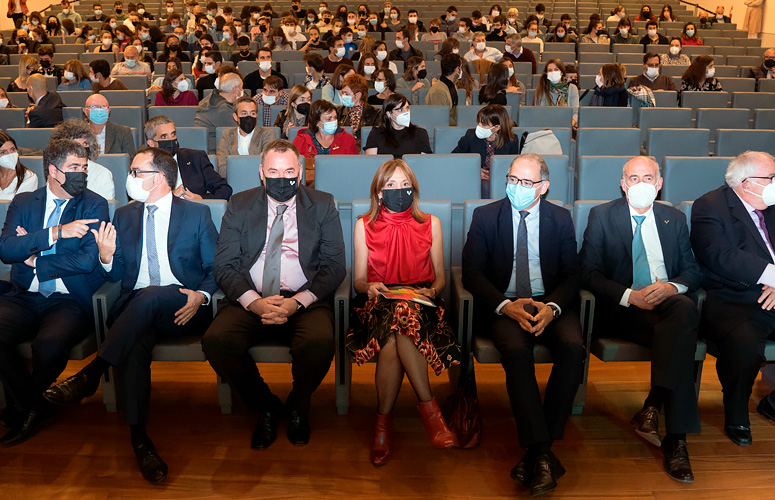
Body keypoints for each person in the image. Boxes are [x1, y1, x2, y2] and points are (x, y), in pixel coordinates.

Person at [43, 146, 218, 483]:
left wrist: (202, 294)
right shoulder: (123, 216)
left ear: (162, 178)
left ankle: (93, 372)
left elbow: (217, 267)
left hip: (185, 307)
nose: (131, 178)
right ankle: (141, 441)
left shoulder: (196, 214)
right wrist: (108, 257)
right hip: (135, 311)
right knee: (134, 342)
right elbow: (115, 276)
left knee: (154, 296)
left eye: (138, 171)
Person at [202, 138, 346, 449]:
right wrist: (254, 302)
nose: (282, 179)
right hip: (250, 298)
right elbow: (224, 265)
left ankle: (298, 405)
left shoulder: (322, 204)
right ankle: (264, 404)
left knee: (320, 342)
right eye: (274, 171)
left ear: (301, 172)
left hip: (304, 298)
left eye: (289, 171)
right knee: (216, 341)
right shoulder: (239, 205)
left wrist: (297, 303)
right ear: (261, 173)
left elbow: (334, 267)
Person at [462, 153, 583, 495]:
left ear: (543, 187)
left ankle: (538, 449)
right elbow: (471, 273)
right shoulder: (486, 216)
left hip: (550, 301)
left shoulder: (560, 219)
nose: (516, 187)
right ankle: (543, 452)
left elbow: (573, 273)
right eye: (512, 180)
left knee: (574, 348)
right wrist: (505, 305)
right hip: (505, 303)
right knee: (516, 351)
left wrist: (554, 307)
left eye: (526, 183)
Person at [580, 156, 702, 483]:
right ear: (623, 184)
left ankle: (663, 422)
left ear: (659, 184)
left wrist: (671, 286)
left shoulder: (673, 218)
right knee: (681, 335)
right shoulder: (602, 216)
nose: (641, 184)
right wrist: (629, 295)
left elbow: (692, 270)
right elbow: (588, 273)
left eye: (648, 178)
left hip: (666, 304)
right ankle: (668, 429)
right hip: (623, 309)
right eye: (633, 178)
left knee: (685, 309)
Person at [348, 159, 459, 466]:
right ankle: (430, 411)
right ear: (379, 193)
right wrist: (369, 287)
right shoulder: (363, 226)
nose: (400, 190)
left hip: (421, 301)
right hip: (378, 301)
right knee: (397, 315)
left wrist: (432, 292)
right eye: (391, 186)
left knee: (401, 320)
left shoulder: (431, 223)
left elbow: (440, 278)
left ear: (414, 189)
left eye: (405, 185)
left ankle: (382, 425)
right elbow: (358, 280)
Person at [0, 139, 108, 447]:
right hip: (25, 293)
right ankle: (34, 405)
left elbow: (86, 261)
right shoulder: (24, 202)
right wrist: (54, 234)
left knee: (48, 345)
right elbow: (7, 249)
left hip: (69, 299)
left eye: (84, 168)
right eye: (74, 168)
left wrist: (34, 254)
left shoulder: (94, 204)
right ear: (53, 171)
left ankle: (25, 408)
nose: (81, 174)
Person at [690, 151, 775, 446]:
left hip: (774, 294)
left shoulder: (772, 205)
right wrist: (772, 277)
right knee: (746, 347)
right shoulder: (710, 206)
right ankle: (737, 412)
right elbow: (719, 256)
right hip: (734, 298)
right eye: (771, 178)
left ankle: (772, 402)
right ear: (748, 182)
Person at [144, 115, 232, 201]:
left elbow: (224, 190)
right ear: (151, 143)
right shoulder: (144, 165)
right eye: (164, 136)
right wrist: (172, 196)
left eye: (173, 134)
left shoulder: (195, 158)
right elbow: (141, 199)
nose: (171, 139)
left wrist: (201, 198)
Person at [452, 104, 519, 197]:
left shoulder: (511, 140)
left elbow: (514, 166)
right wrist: (475, 171)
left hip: (500, 179)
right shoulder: (471, 136)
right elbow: (454, 158)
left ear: (497, 127)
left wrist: (496, 174)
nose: (479, 126)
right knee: (485, 186)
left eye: (484, 124)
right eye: (479, 122)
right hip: (474, 178)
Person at [50, 119, 116, 201]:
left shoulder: (103, 174)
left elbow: (105, 206)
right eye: (76, 145)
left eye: (85, 143)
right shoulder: (57, 171)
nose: (81, 148)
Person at [215, 96, 276, 178]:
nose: (249, 117)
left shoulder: (267, 134)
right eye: (244, 113)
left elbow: (268, 166)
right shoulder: (227, 135)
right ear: (235, 117)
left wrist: (234, 165)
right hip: (233, 183)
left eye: (252, 113)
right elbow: (222, 169)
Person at [364, 94, 431, 159]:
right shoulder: (376, 133)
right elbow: (371, 163)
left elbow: (424, 164)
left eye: (407, 108)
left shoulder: (420, 133)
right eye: (400, 110)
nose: (406, 112)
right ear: (389, 114)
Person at [194, 72, 244, 153]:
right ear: (235, 90)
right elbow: (241, 133)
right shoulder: (223, 110)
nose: (242, 91)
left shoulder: (211, 97)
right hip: (213, 154)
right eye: (241, 88)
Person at [292, 99, 358, 158]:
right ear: (317, 123)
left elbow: (353, 166)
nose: (334, 121)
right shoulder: (301, 141)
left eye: (335, 117)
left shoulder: (348, 139)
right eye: (328, 119)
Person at [83, 93, 136, 157]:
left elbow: (130, 161)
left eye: (103, 106)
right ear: (85, 111)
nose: (99, 110)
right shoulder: (77, 134)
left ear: (108, 111)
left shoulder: (123, 133)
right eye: (94, 106)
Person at [533, 59, 579, 129]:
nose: (553, 72)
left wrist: (570, 124)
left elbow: (575, 112)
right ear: (546, 73)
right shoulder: (541, 88)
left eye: (556, 69)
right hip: (546, 128)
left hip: (566, 127)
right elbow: (539, 112)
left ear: (562, 72)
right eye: (550, 70)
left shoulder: (572, 88)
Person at [336, 73, 379, 141]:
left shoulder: (376, 114)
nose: (343, 96)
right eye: (343, 93)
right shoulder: (338, 112)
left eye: (346, 94)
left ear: (358, 95)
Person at [426, 53, 462, 126]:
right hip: (441, 130)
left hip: (450, 126)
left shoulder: (452, 85)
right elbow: (440, 119)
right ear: (457, 69)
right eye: (461, 68)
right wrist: (460, 123)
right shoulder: (438, 91)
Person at [0, 131, 37, 199]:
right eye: (3, 152)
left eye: (12, 149)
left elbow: (20, 207)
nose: (10, 155)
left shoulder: (28, 177)